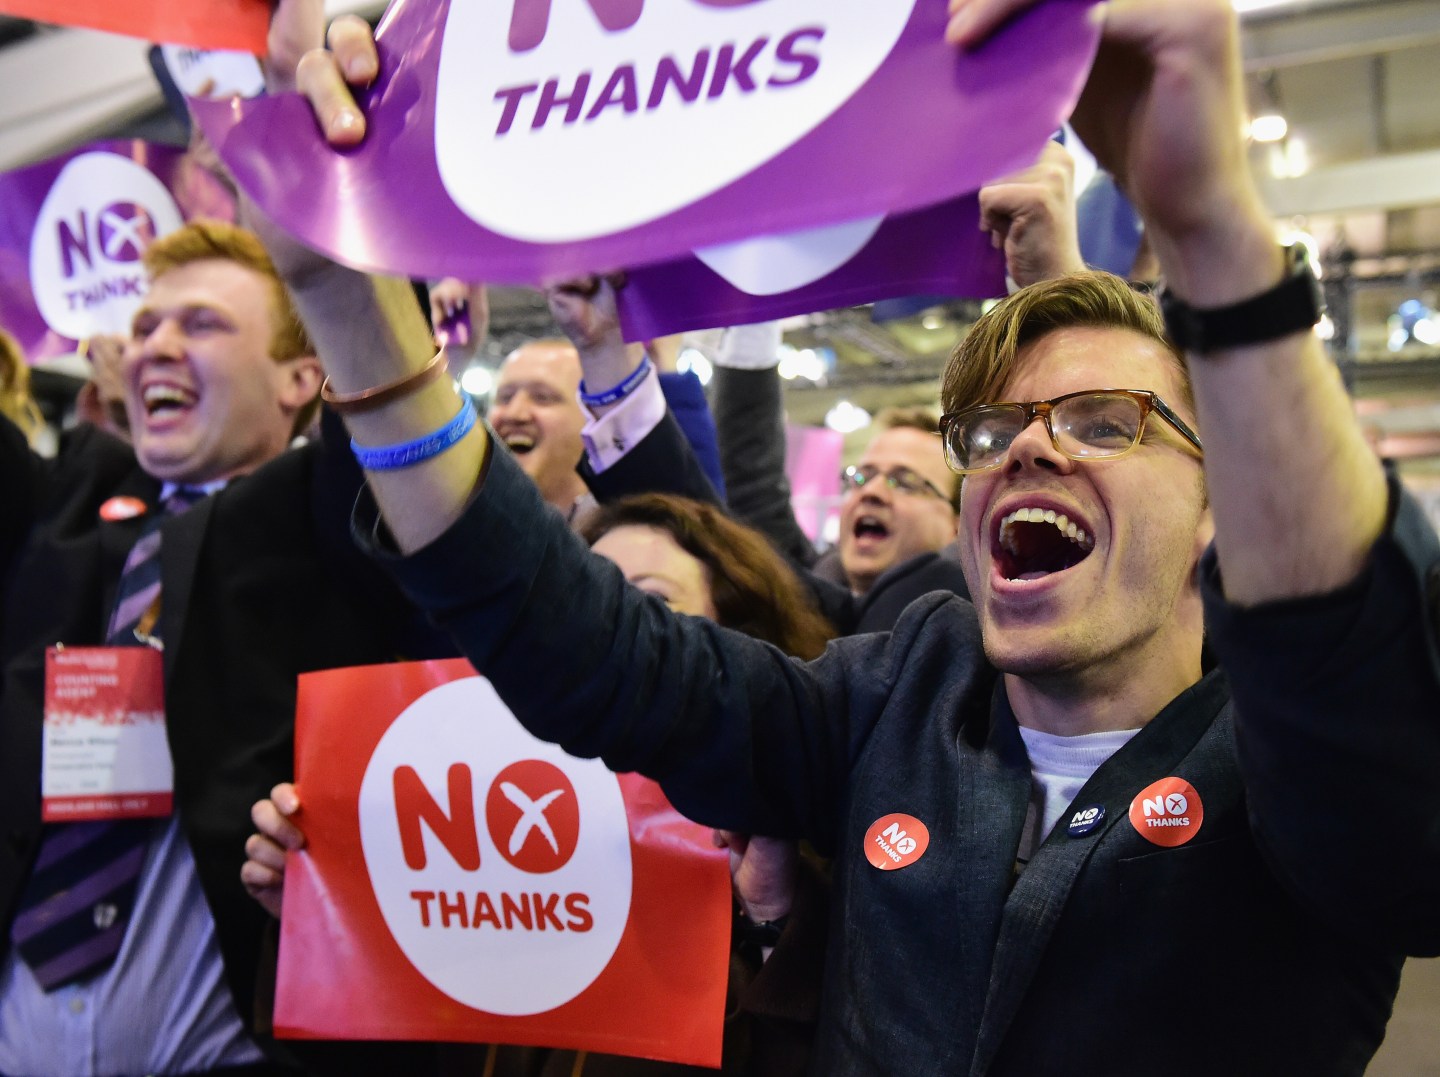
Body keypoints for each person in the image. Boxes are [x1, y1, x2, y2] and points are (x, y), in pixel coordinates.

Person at [277, 0, 1440, 1072]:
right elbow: (584, 649)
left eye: (1105, 422)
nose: (1029, 452)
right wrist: (347, 309)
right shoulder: (899, 693)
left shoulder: (1293, 766)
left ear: (1216, 509)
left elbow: (1343, 651)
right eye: (992, 434)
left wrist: (1215, 234)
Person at [244, 492, 836, 1076]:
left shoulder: (789, 868)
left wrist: (772, 925)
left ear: (741, 653)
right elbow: (374, 1058)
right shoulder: (473, 842)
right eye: (586, 606)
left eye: (649, 604)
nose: (607, 636)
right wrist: (320, 913)